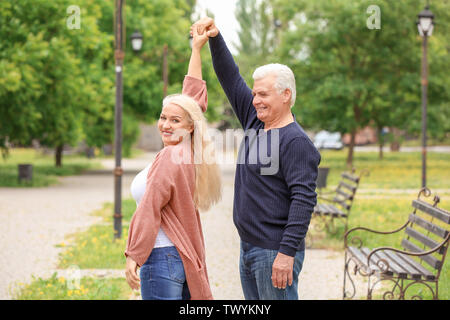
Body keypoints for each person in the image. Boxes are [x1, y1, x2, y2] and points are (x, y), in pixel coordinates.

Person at [191, 17, 320, 300]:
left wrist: (286, 253)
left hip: (274, 251)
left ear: (286, 95)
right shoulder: (255, 121)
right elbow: (230, 77)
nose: (256, 99)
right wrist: (215, 37)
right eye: (254, 93)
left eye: (263, 94)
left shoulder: (296, 142)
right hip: (248, 246)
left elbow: (304, 200)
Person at [124, 26, 221, 300]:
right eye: (163, 117)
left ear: (189, 127)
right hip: (178, 256)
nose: (166, 125)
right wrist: (196, 49)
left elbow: (151, 206)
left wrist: (135, 253)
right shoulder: (188, 149)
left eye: (174, 121)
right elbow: (192, 101)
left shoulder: (170, 155)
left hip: (160, 257)